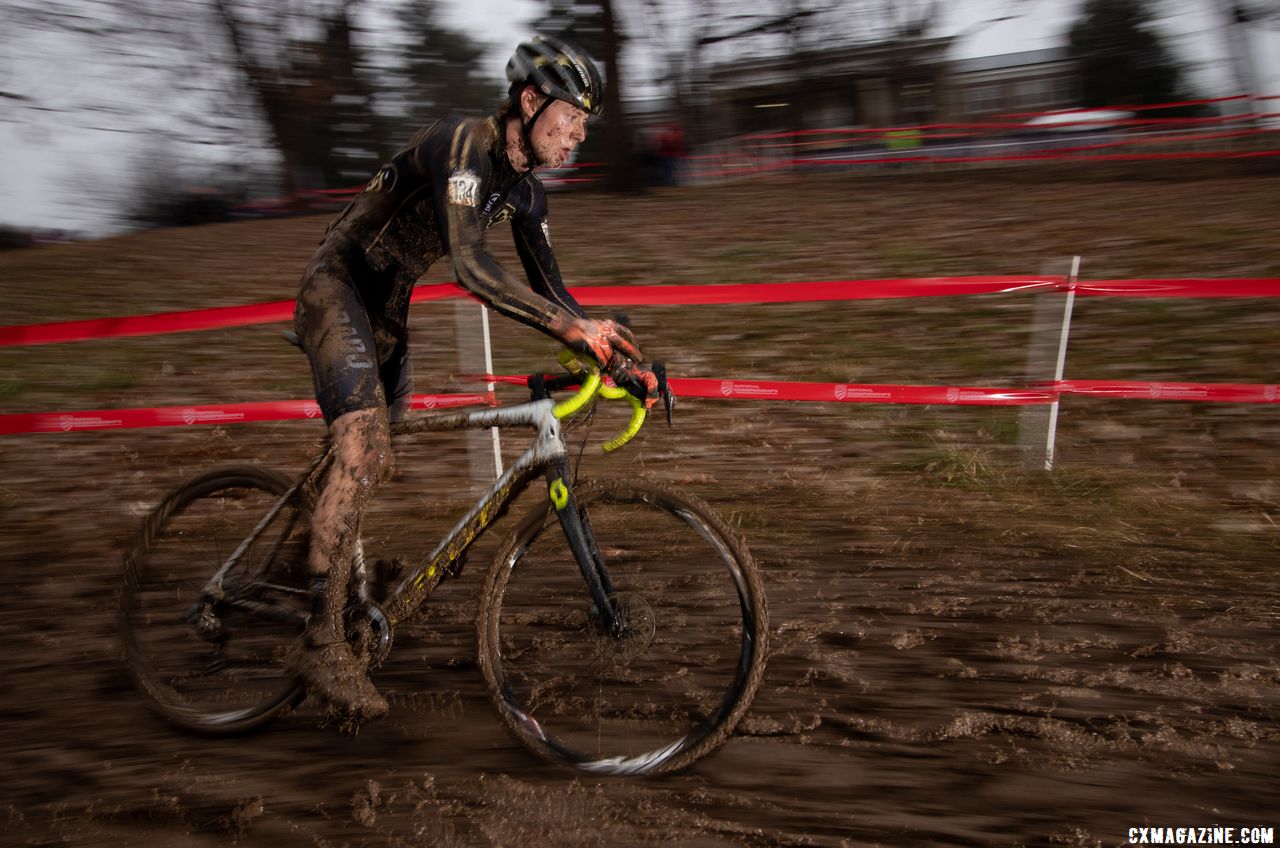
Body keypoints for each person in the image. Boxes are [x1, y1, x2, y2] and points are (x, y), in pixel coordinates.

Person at [290, 35, 659, 723]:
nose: (578, 134)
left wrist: (615, 354)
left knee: (370, 459)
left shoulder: (525, 195)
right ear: (529, 101)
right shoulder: (464, 145)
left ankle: (304, 561)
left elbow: (556, 295)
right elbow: (470, 269)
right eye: (571, 116)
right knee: (363, 450)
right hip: (336, 289)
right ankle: (318, 641)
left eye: (586, 124)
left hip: (388, 314)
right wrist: (570, 330)